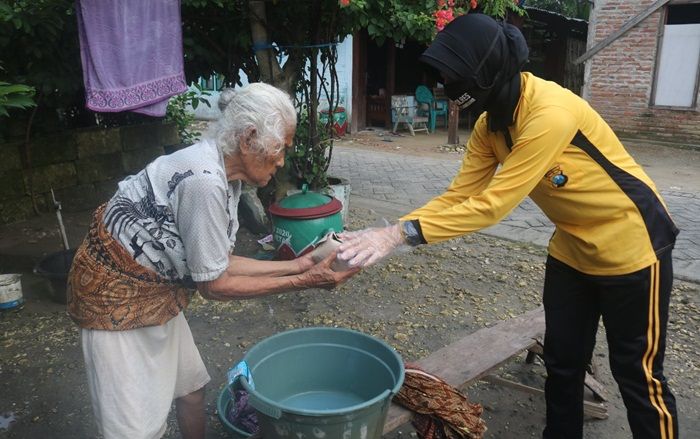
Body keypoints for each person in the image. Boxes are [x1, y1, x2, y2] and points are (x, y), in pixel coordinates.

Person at [337, 13, 678, 439]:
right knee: (563, 363)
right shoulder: (489, 126)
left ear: (483, 72)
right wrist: (391, 232)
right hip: (572, 249)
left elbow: (492, 206)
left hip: (634, 247)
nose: (444, 84)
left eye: (450, 74)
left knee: (638, 376)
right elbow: (459, 195)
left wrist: (396, 235)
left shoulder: (549, 112)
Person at [67, 82, 357, 439]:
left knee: (190, 391)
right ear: (248, 138)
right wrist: (306, 281)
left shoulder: (221, 172)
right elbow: (215, 285)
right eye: (279, 148)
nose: (281, 161)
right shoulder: (204, 182)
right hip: (116, 300)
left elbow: (215, 260)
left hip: (155, 289)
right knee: (135, 430)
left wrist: (301, 263)